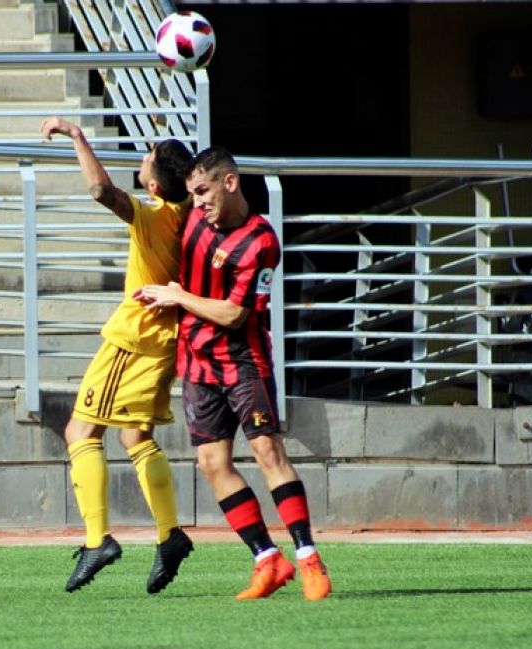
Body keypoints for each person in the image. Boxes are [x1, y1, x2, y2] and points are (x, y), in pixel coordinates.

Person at [134, 146, 332, 601]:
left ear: (230, 183)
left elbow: (233, 315)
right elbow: (145, 186)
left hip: (244, 362)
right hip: (197, 364)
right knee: (211, 463)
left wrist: (178, 297)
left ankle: (308, 559)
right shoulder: (192, 218)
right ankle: (267, 559)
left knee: (267, 452)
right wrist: (151, 158)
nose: (197, 202)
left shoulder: (260, 241)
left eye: (203, 191)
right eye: (191, 193)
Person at [40, 117, 194, 594]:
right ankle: (169, 534)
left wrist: (78, 136)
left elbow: (101, 192)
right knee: (135, 435)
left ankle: (96, 540)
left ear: (153, 184)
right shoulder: (190, 211)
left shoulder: (154, 217)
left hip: (133, 338)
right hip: (165, 340)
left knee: (80, 430)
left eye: (146, 159)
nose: (142, 160)